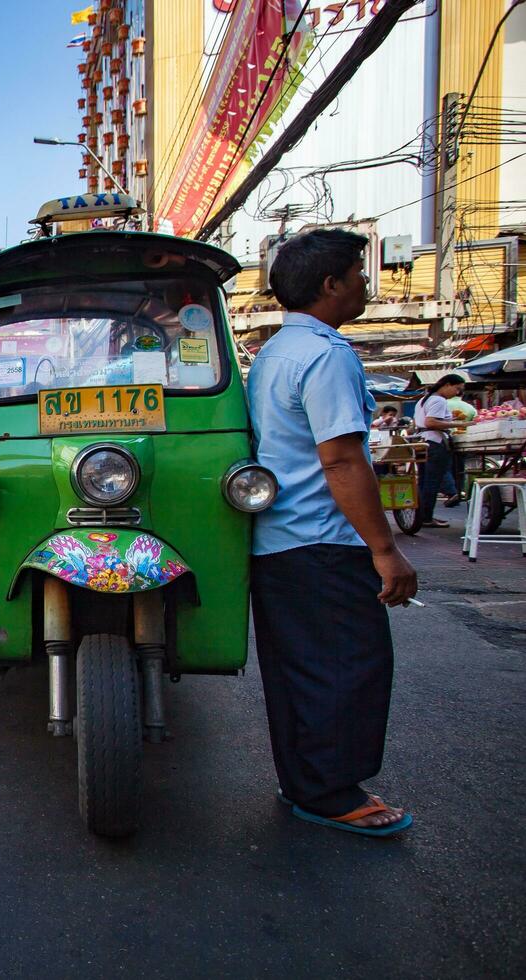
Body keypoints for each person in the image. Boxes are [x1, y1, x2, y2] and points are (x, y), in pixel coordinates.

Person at [247, 228, 417, 837]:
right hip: (322, 539)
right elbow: (343, 460)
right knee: (347, 666)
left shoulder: (272, 354)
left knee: (299, 669)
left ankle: (308, 784)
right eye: (359, 275)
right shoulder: (325, 354)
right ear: (331, 285)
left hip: (278, 541)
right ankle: (331, 794)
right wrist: (385, 549)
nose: (365, 285)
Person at [413, 374, 468, 527]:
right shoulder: (438, 400)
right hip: (435, 442)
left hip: (423, 441)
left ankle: (423, 516)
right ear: (447, 385)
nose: (457, 393)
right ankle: (426, 517)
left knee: (424, 481)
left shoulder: (424, 399)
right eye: (457, 389)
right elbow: (430, 422)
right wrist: (459, 424)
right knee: (432, 481)